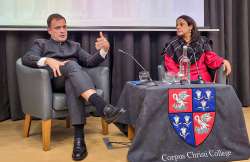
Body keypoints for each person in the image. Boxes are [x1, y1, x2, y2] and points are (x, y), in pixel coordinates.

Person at [22, 13, 125, 161]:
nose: (62, 30)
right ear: (49, 30)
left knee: (72, 82)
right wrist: (47, 60)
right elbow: (26, 58)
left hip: (75, 83)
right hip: (54, 83)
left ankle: (79, 140)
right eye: (58, 28)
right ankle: (102, 106)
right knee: (71, 64)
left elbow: (90, 61)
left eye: (64, 27)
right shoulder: (41, 44)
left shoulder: (75, 46)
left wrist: (104, 50)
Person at [162, 15, 231, 82]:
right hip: (182, 81)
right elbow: (170, 65)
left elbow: (211, 60)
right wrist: (181, 79)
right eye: (177, 25)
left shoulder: (202, 42)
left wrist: (223, 61)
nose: (178, 27)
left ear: (190, 27)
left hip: (202, 80)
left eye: (181, 24)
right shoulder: (172, 44)